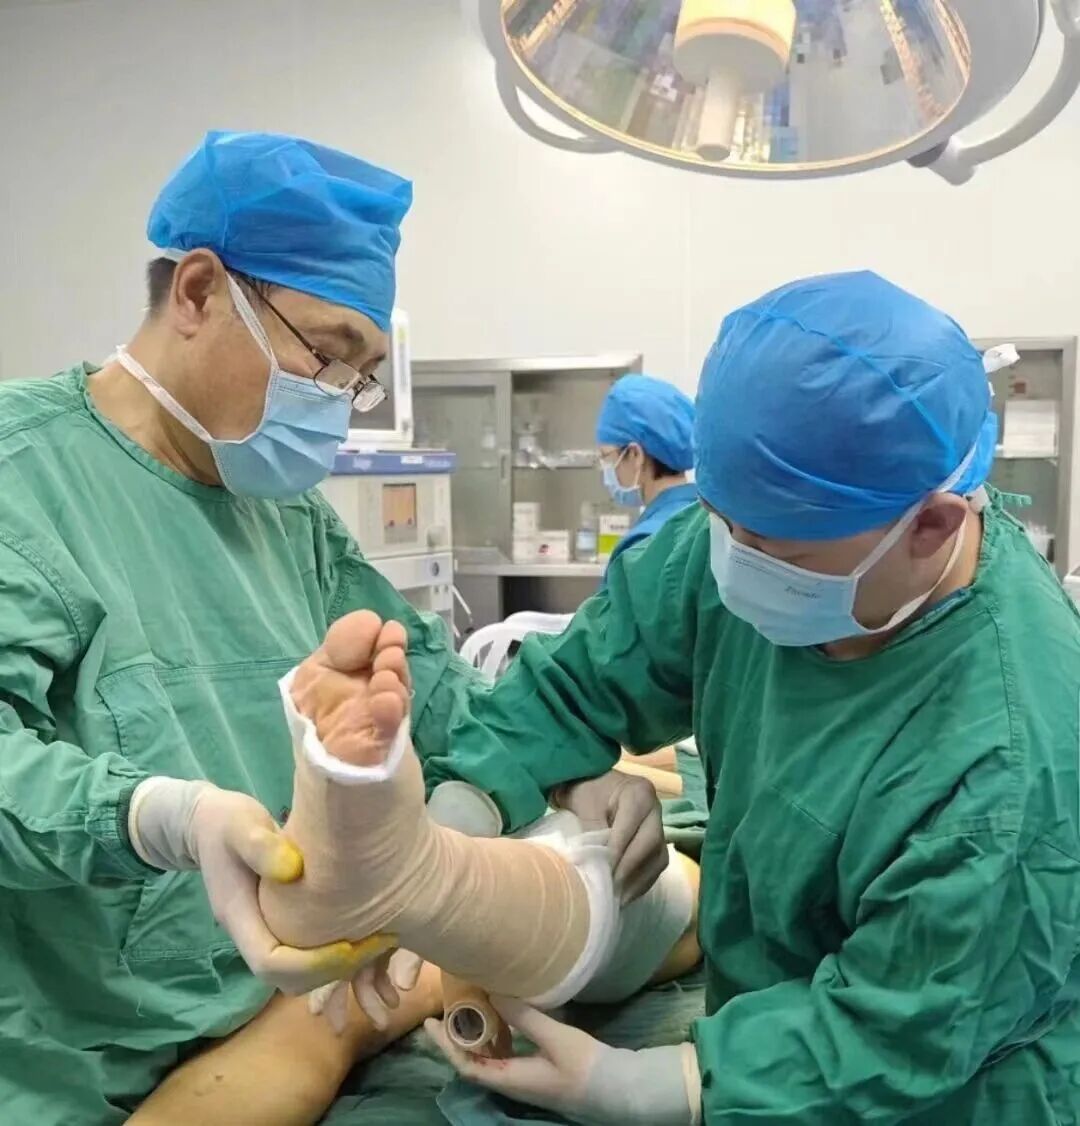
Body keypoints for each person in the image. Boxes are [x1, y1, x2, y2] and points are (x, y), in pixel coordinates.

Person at [0, 130, 665, 1124]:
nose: (338, 407)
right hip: (98, 1072)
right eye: (325, 353)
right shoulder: (25, 481)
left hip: (310, 1005)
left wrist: (569, 770)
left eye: (360, 375)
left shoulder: (288, 519)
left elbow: (435, 687)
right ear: (198, 292)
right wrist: (156, 817)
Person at [420, 272, 1080, 1125]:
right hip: (761, 1018)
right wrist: (453, 825)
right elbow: (580, 679)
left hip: (945, 1088)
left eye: (778, 552)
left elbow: (906, 1024)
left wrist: (662, 1087)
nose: (733, 562)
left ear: (932, 525)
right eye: (722, 521)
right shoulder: (748, 532)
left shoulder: (1010, 754)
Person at [596, 373, 697, 581]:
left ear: (635, 455)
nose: (606, 470)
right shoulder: (703, 519)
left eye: (607, 457)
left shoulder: (645, 544)